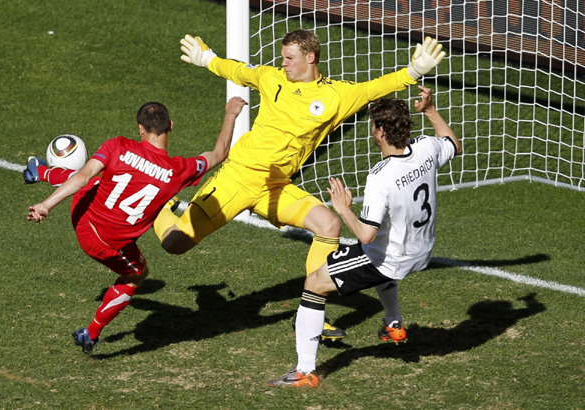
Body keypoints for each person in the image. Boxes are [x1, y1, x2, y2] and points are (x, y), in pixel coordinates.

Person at [152, 30, 446, 340]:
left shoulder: (336, 95)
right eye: (283, 57)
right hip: (237, 177)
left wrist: (413, 71)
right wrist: (207, 59)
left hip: (276, 186)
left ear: (310, 57)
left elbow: (374, 88)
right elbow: (238, 70)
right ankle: (157, 208)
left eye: (289, 58)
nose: (284, 64)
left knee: (329, 224)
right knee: (175, 245)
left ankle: (312, 308)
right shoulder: (272, 78)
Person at [266, 86, 462, 387]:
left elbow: (367, 235)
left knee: (314, 283)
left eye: (373, 126)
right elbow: (453, 144)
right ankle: (394, 325)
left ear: (381, 131)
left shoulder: (380, 176)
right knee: (375, 254)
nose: (371, 131)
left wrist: (344, 210)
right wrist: (431, 112)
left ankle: (305, 372)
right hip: (423, 251)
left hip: (391, 256)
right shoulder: (426, 147)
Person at [27, 97, 247, 353]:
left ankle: (40, 173)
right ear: (171, 126)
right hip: (106, 244)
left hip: (82, 213)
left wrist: (45, 206)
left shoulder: (117, 146)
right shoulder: (179, 170)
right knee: (137, 274)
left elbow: (82, 177)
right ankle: (92, 332)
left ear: (141, 129)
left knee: (94, 179)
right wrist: (231, 113)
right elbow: (220, 153)